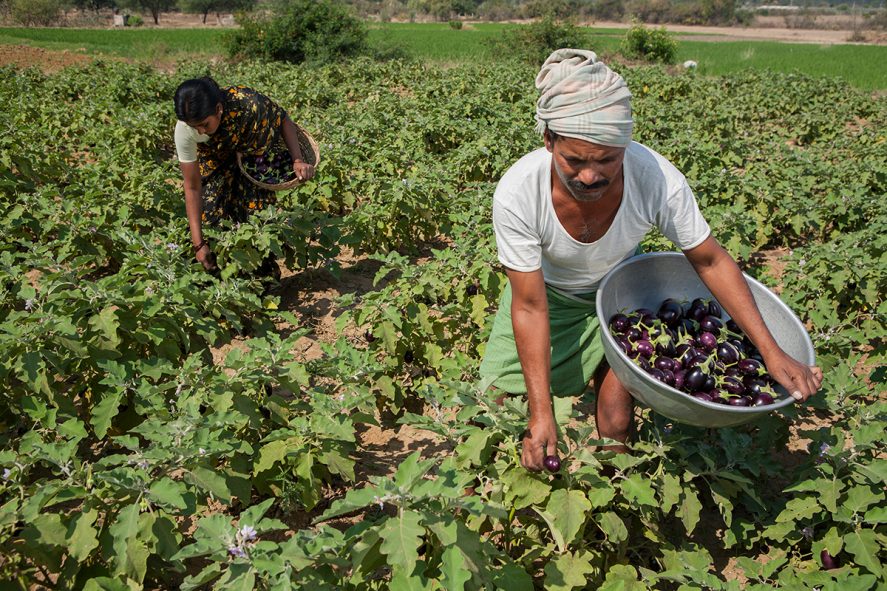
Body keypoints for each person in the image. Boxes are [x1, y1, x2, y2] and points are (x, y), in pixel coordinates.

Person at [478, 49, 823, 471]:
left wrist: (771, 351)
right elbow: (530, 305)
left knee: (617, 421)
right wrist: (542, 410)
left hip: (619, 297)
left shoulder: (655, 178)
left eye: (607, 158)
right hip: (546, 298)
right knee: (494, 407)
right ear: (549, 141)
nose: (591, 176)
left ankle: (616, 502)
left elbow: (711, 261)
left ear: (625, 143)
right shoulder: (518, 193)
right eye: (575, 160)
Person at [173, 77, 316, 272]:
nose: (199, 130)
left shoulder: (249, 105)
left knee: (256, 222)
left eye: (204, 125)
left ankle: (261, 280)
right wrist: (198, 243)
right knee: (211, 223)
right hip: (215, 161)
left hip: (254, 159)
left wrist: (297, 160)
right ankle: (219, 279)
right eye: (193, 126)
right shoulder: (184, 131)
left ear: (218, 109)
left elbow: (282, 119)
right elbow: (192, 186)